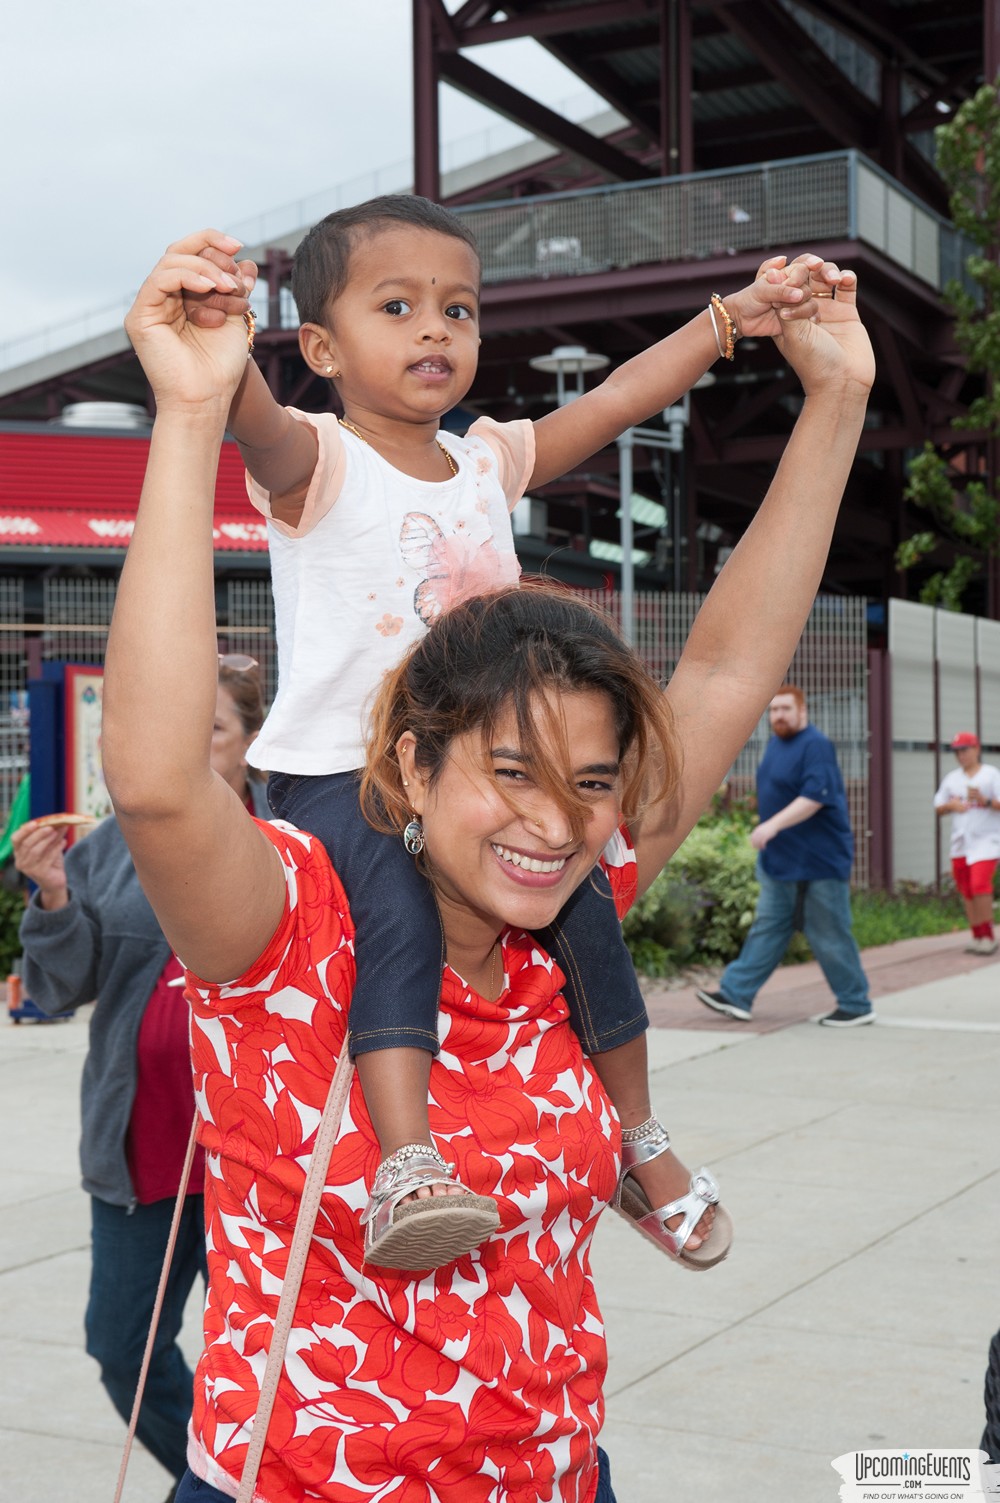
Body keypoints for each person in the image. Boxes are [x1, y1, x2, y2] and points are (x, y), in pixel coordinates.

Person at [101, 227, 872, 1502]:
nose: (556, 824)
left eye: (588, 783)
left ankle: (644, 1152)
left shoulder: (571, 902)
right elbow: (155, 782)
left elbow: (728, 667)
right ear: (413, 768)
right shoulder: (292, 931)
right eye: (509, 772)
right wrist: (192, 412)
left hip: (563, 1477)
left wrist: (833, 394)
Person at [178, 198, 844, 1270]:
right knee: (397, 920)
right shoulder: (316, 462)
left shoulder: (486, 460)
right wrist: (222, 339)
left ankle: (636, 1138)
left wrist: (730, 318)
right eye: (397, 307)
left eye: (459, 310)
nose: (435, 329)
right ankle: (408, 1162)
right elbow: (253, 419)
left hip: (486, 774)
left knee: (591, 924)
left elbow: (619, 397)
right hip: (345, 774)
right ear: (322, 348)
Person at [12, 663, 270, 1495]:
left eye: (213, 730)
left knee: (266, 1359)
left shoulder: (294, 840)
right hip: (141, 1149)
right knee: (122, 1349)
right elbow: (59, 989)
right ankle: (223, 1480)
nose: (189, 749)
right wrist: (55, 895)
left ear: (251, 743)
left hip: (259, 1157)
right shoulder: (116, 842)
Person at [696, 684, 875, 1028]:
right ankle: (736, 994)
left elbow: (815, 796)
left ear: (802, 712)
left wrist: (771, 826)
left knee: (829, 934)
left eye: (785, 709)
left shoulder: (815, 746)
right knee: (768, 929)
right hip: (780, 863)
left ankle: (856, 1004)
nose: (778, 716)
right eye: (774, 710)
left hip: (817, 863)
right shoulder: (777, 745)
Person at [933, 730, 1000, 956]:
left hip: (986, 841)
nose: (961, 755)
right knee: (966, 889)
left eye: (965, 750)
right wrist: (950, 806)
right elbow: (938, 806)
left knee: (980, 885)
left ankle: (988, 936)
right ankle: (977, 934)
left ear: (976, 749)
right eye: (957, 752)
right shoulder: (953, 779)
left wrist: (985, 801)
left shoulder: (990, 775)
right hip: (961, 842)